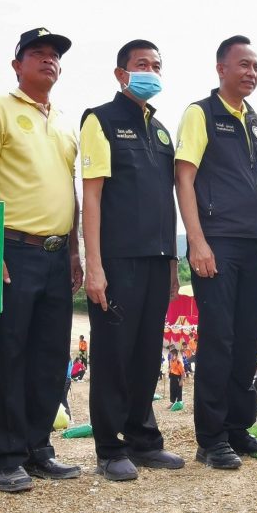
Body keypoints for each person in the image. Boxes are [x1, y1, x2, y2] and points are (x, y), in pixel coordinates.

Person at [0, 26, 84, 492]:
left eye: (55, 54)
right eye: (38, 53)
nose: (48, 60)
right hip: (13, 249)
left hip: (56, 254)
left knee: (49, 358)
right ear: (17, 64)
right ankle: (5, 458)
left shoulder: (65, 122)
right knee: (8, 355)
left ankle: (39, 449)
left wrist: (74, 250)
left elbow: (68, 190)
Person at [80, 38, 185, 482]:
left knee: (145, 354)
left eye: (157, 65)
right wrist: (94, 264)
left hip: (158, 259)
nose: (151, 72)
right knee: (114, 353)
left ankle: (144, 439)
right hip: (117, 258)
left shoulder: (160, 130)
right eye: (142, 64)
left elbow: (167, 200)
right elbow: (92, 196)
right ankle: (109, 447)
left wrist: (173, 262)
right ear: (121, 73)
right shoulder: (100, 120)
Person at [175, 35, 257, 469]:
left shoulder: (254, 120)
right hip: (217, 243)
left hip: (254, 244)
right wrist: (196, 240)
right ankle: (211, 438)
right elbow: (184, 178)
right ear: (221, 68)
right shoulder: (201, 113)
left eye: (256, 66)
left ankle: (238, 428)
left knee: (248, 338)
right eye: (243, 65)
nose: (251, 73)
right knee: (218, 340)